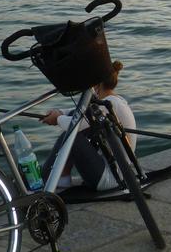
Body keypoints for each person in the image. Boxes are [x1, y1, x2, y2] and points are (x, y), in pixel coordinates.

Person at [40, 60, 137, 191]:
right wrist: (60, 112)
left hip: (112, 178)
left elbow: (76, 125)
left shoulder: (108, 105)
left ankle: (47, 178)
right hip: (115, 172)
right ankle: (59, 177)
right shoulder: (114, 101)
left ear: (96, 84)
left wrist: (57, 119)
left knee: (73, 136)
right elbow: (80, 112)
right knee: (76, 129)